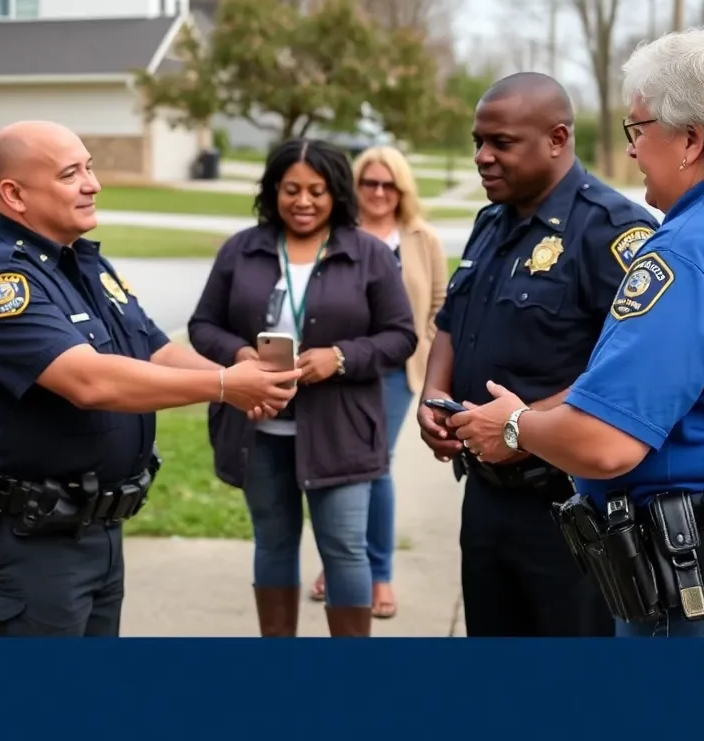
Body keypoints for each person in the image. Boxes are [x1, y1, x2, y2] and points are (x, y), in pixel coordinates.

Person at [450, 28, 704, 638]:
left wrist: (516, 425)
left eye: (638, 129)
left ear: (690, 139)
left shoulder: (694, 252)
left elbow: (605, 441)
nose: (630, 151)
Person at [0, 120, 299, 638]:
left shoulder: (83, 266)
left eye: (89, 167)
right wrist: (224, 388)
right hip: (28, 544)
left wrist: (240, 379)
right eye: (70, 174)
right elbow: (89, 382)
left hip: (96, 532)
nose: (92, 183)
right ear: (14, 195)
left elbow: (157, 350)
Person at [416, 71, 659, 638]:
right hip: (484, 497)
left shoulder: (613, 232)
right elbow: (450, 324)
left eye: (501, 143)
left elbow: (627, 369)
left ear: (557, 138)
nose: (483, 157)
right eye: (478, 141)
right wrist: (433, 396)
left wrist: (523, 427)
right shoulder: (490, 222)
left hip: (567, 508)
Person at [188, 138, 418, 638]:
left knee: (344, 548)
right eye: (291, 189)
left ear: (336, 192)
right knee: (272, 544)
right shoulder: (241, 250)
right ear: (273, 191)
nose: (303, 201)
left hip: (341, 431)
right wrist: (241, 355)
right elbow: (203, 325)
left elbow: (401, 336)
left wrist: (338, 358)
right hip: (258, 430)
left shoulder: (370, 255)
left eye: (317, 190)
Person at [309, 144, 448, 619]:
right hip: (340, 369)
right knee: (336, 464)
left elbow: (437, 304)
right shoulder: (335, 235)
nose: (379, 192)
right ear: (355, 186)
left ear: (402, 189)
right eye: (369, 182)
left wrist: (424, 348)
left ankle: (378, 572)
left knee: (374, 466)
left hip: (394, 371)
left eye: (389, 184)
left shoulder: (420, 237)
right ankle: (342, 562)